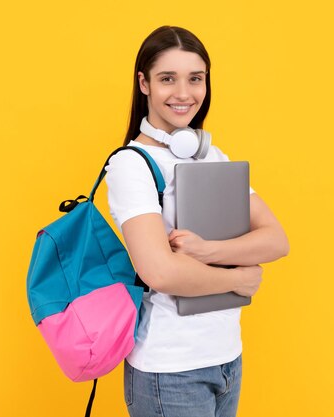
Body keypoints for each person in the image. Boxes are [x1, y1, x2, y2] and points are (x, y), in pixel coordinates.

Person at [104, 25, 290, 417]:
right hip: (170, 369)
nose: (184, 93)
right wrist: (237, 279)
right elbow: (159, 272)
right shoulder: (130, 165)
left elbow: (276, 239)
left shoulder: (212, 156)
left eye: (195, 79)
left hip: (226, 357)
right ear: (144, 84)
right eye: (167, 78)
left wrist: (209, 250)